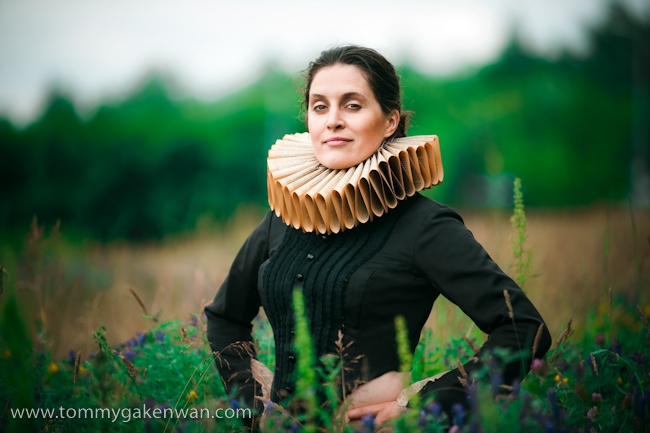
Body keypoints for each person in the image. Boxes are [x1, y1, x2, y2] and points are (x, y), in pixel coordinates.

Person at [205, 45, 552, 430]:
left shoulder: (424, 225)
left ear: (389, 121)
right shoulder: (284, 217)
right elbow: (224, 317)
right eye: (320, 107)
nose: (333, 120)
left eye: (352, 105)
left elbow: (523, 329)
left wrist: (424, 408)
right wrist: (252, 403)